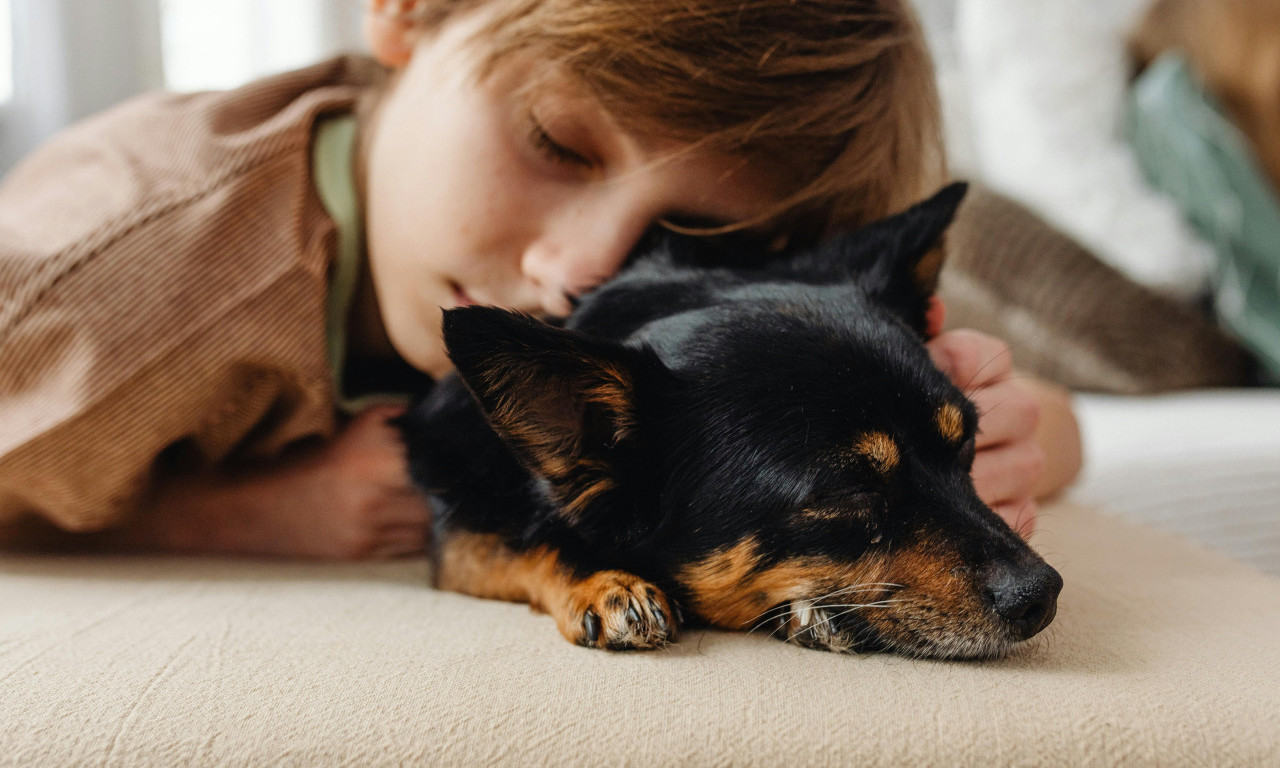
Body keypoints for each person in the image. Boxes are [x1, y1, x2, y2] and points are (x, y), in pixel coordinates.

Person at [0, 0, 1081, 560]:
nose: (582, 272)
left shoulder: (701, 297)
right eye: (556, 146)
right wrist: (229, 519)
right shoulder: (110, 293)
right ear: (411, 13)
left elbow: (1058, 419)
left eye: (691, 233)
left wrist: (994, 421)